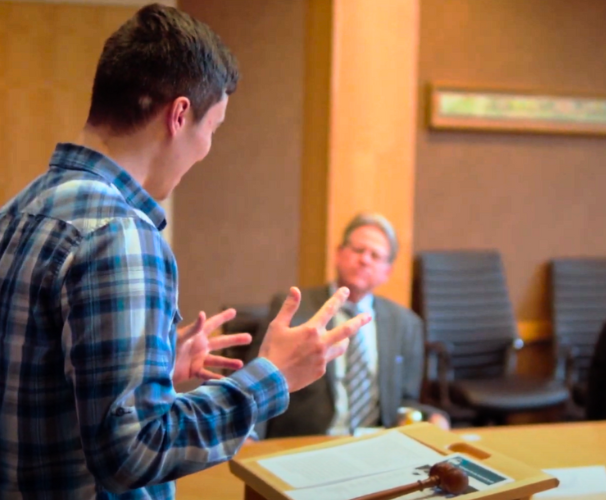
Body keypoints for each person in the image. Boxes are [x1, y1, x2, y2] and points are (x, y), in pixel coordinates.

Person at [0, 5, 368, 499]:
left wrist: (152, 369)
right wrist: (272, 377)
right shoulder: (121, 235)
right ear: (179, 115)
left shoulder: (19, 208)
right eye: (211, 128)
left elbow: (32, 383)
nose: (206, 148)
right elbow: (134, 451)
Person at [245, 213, 450, 438]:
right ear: (339, 254)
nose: (365, 260)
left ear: (387, 271)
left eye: (375, 255)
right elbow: (258, 382)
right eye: (358, 250)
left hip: (376, 443)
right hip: (308, 442)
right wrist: (251, 436)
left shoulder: (406, 324)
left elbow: (405, 402)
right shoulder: (295, 309)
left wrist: (432, 417)